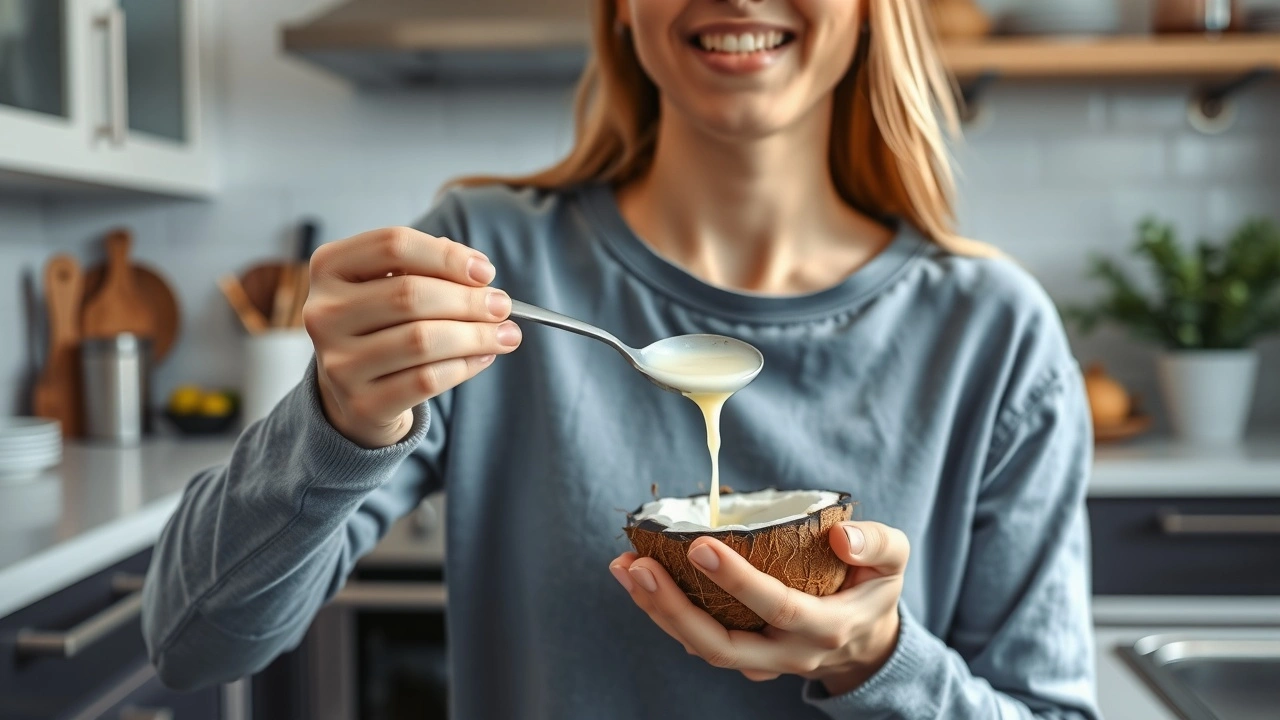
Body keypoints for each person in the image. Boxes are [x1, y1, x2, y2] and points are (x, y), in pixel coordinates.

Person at [142, 0, 1100, 717]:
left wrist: (877, 660)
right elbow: (192, 645)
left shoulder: (994, 332)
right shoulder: (491, 264)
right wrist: (338, 419)